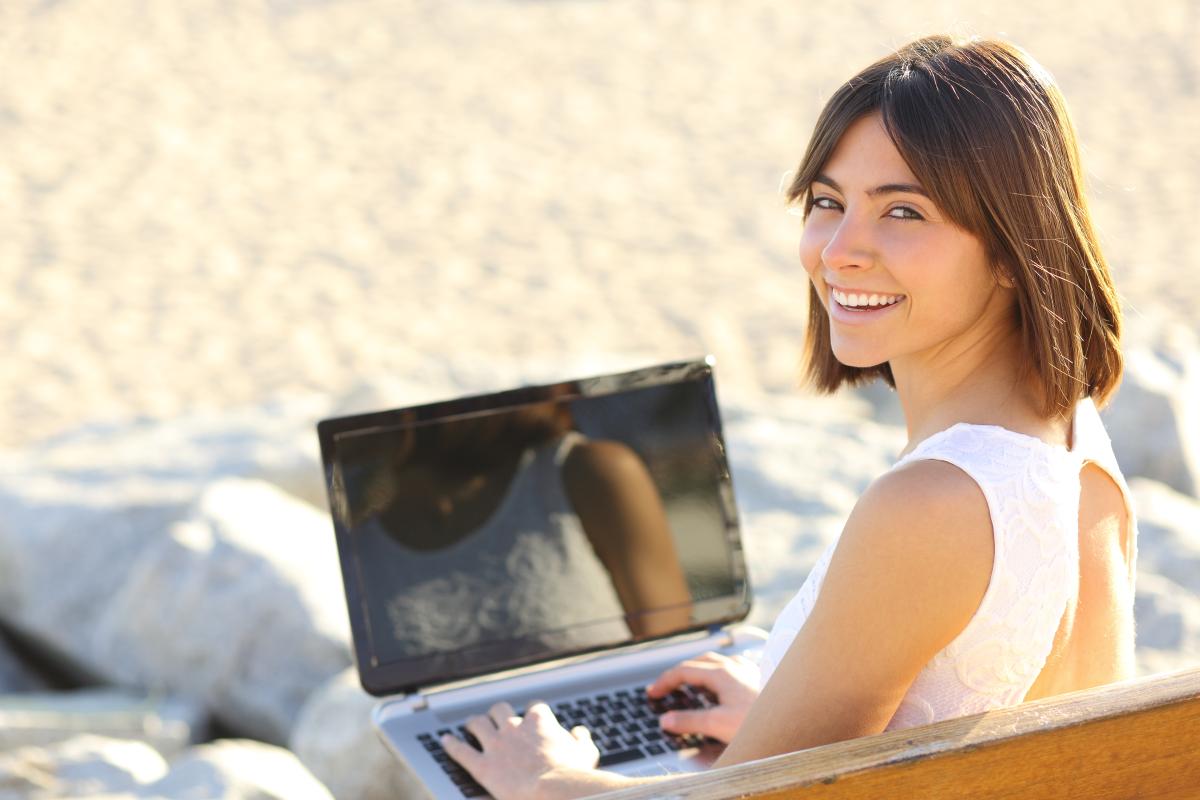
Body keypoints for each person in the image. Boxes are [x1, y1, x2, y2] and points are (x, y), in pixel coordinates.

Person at [439, 33, 1137, 799]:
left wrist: (541, 777)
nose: (840, 251)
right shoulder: (1075, 440)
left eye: (903, 211)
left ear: (1014, 248)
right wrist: (786, 713)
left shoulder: (933, 504)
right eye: (828, 202)